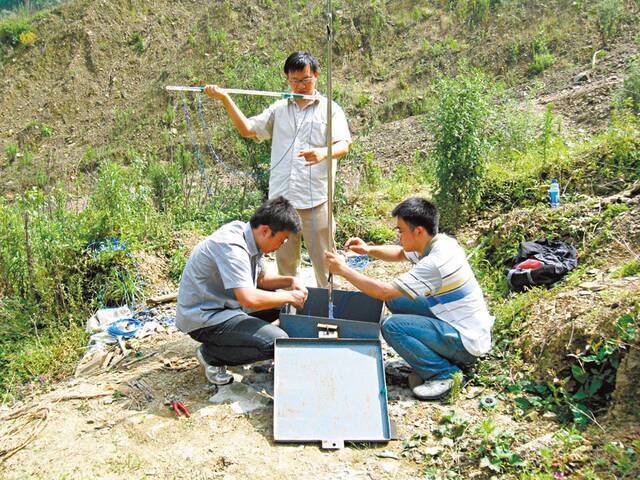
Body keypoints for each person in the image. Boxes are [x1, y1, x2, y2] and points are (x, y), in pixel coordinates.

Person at [203, 51, 352, 288]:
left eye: (305, 80)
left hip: (317, 201)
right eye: (294, 81)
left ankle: (330, 314)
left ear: (316, 76)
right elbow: (248, 129)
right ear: (287, 79)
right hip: (283, 203)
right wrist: (225, 98)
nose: (300, 86)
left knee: (326, 262)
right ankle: (292, 311)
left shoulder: (330, 109)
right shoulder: (279, 109)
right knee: (285, 263)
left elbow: (344, 144)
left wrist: (323, 153)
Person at [324, 197, 493, 400]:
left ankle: (444, 374)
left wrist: (343, 270)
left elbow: (384, 292)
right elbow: (399, 254)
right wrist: (368, 250)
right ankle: (436, 356)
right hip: (456, 319)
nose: (398, 236)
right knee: (397, 301)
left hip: (466, 340)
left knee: (392, 326)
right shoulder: (440, 243)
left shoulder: (435, 263)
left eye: (401, 231)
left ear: (419, 231)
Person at [176, 196, 308, 385]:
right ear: (265, 231)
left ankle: (235, 344)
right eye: (282, 240)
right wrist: (289, 296)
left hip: (229, 308)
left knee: (284, 309)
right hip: (205, 319)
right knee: (275, 342)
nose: (282, 245)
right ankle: (211, 355)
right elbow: (248, 299)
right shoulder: (232, 246)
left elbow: (261, 280)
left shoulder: (250, 236)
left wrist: (290, 281)